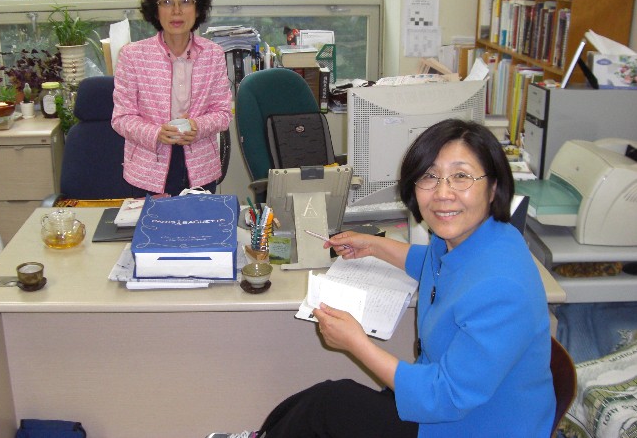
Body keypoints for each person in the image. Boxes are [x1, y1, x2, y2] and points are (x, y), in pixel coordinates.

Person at [209, 118, 555, 438]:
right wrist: (373, 245)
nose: (443, 193)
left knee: (330, 405)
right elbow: (431, 262)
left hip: (470, 425)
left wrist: (357, 344)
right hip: (449, 406)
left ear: (493, 187)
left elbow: (445, 397)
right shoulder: (479, 238)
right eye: (430, 177)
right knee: (319, 402)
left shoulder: (501, 287)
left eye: (461, 176)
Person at [112, 0, 232, 197]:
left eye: (185, 1)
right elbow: (122, 117)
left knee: (198, 221)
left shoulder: (214, 54)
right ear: (155, 10)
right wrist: (156, 133)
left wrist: (198, 126)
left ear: (198, 9)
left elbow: (223, 113)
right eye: (166, 2)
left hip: (200, 168)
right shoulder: (133, 55)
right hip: (148, 168)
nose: (176, 10)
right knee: (153, 221)